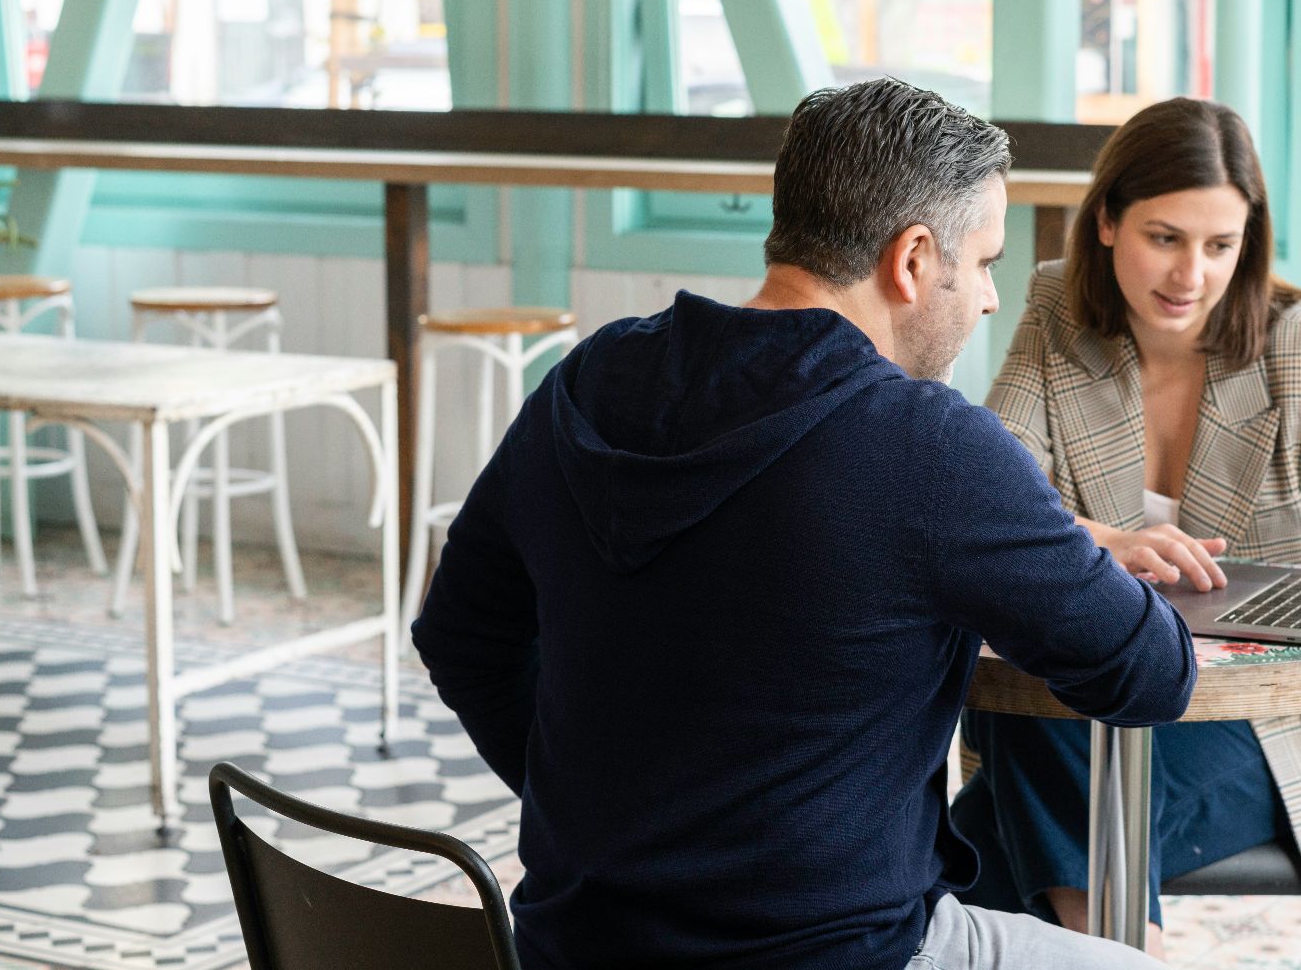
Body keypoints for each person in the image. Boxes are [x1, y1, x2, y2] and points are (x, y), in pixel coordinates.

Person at [411, 78, 1196, 970]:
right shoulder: (930, 447)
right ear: (911, 260)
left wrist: (611, 827)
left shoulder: (587, 382)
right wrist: (1062, 539)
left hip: (576, 947)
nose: (986, 299)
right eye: (982, 262)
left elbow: (459, 633)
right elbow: (1150, 673)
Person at [951, 97, 1301, 965]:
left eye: (1222, 246)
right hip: (1099, 699)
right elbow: (995, 499)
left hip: (1273, 725)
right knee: (1046, 731)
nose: (1192, 275)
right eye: (1166, 237)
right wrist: (1098, 539)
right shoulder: (1057, 309)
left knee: (966, 838)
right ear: (1106, 222)